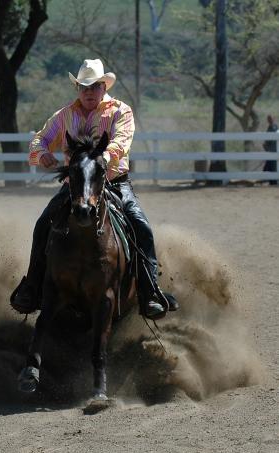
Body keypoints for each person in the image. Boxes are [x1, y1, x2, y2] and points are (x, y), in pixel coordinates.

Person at [10, 59, 178, 319]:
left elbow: (122, 140)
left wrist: (105, 158)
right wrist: (41, 153)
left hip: (114, 182)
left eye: (94, 86)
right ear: (78, 88)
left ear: (104, 87)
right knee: (43, 224)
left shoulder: (121, 111)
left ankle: (149, 292)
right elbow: (39, 139)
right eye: (83, 87)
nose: (88, 92)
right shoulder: (64, 115)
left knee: (140, 226)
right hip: (75, 187)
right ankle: (32, 287)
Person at [263, 115, 278, 186]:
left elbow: (269, 140)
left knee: (271, 165)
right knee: (270, 165)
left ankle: (272, 181)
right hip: (271, 150)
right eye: (268, 119)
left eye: (270, 118)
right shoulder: (274, 127)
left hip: (273, 150)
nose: (269, 120)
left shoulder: (274, 127)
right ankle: (271, 181)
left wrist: (266, 145)